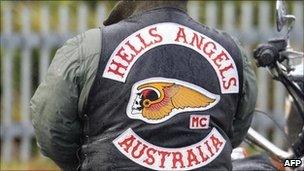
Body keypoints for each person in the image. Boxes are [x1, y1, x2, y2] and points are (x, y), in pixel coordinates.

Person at [31, 1, 257, 170]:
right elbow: (236, 127)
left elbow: (51, 128)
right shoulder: (231, 49)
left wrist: (87, 161)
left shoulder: (90, 46)